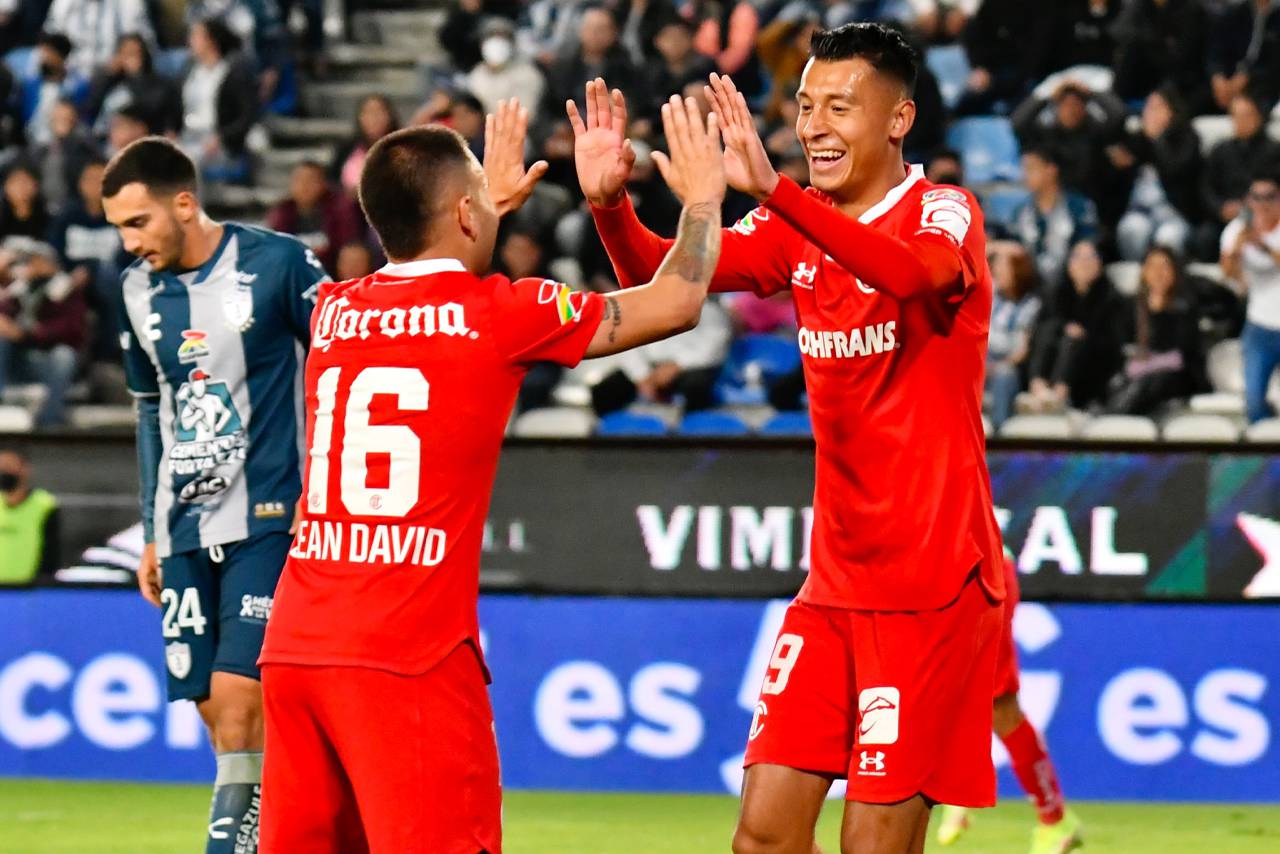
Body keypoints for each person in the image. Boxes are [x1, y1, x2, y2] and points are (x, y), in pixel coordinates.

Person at [580, 21, 1005, 853]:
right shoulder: (797, 229)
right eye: (805, 104)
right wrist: (610, 206)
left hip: (932, 589)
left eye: (839, 107)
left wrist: (777, 193)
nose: (813, 124)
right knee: (763, 839)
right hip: (833, 587)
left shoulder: (943, 210)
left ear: (898, 119)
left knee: (872, 847)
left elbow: (912, 274)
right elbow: (668, 277)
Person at [256, 97, 724, 852]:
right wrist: (702, 197)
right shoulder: (502, 313)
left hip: (298, 647)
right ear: (468, 218)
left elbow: (415, 262)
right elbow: (677, 302)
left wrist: (478, 206)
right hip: (407, 657)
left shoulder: (338, 312)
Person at [103, 136, 328, 854]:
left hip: (269, 512)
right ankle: (283, 834)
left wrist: (324, 486)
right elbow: (150, 410)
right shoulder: (137, 292)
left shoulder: (277, 264)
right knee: (214, 710)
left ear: (184, 203)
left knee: (239, 700)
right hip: (184, 527)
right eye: (118, 228)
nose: (129, 242)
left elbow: (340, 364)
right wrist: (151, 532)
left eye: (137, 223)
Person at [936, 548, 1082, 854]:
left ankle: (1055, 819)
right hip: (932, 571)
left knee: (1000, 706)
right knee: (936, 687)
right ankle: (957, 789)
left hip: (979, 570)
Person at [1024, 239, 1125, 412]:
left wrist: (1083, 336)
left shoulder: (1112, 298)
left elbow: (1113, 344)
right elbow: (1037, 334)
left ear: (1100, 263)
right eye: (1078, 257)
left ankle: (1059, 394)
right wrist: (1063, 330)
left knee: (1073, 339)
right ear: (1069, 264)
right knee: (1049, 329)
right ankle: (1038, 388)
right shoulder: (1054, 293)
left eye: (1090, 257)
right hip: (1051, 362)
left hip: (1091, 369)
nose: (1084, 263)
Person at [1107, 245, 1205, 415]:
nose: (1158, 272)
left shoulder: (1184, 307)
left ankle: (1115, 416)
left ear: (1174, 272)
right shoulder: (1131, 306)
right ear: (1144, 272)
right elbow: (1122, 345)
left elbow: (1181, 354)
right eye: (1152, 266)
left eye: (1165, 266)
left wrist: (1147, 364)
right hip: (1136, 373)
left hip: (1175, 376)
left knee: (1150, 381)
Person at [0, 239, 84, 426]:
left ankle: (50, 418)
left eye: (32, 260)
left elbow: (71, 330)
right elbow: (5, 315)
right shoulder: (20, 288)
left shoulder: (65, 288)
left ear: (47, 262)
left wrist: (28, 333)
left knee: (64, 355)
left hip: (47, 358)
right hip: (19, 358)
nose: (26, 265)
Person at [1221, 172, 1280, 424]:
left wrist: (1263, 245)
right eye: (1257, 197)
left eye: (1270, 197)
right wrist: (1237, 251)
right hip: (1259, 327)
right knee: (1254, 401)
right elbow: (1229, 276)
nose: (1263, 203)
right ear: (1248, 201)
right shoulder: (1236, 230)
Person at [1198, 93, 1280, 262]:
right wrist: (1221, 208)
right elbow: (1206, 187)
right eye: (1237, 116)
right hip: (1226, 215)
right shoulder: (1220, 151)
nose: (1242, 121)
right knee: (1204, 237)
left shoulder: (1274, 151)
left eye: (1247, 115)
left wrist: (1255, 207)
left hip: (1266, 217)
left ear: (1259, 116)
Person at [1010, 147, 1099, 286]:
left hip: (1070, 283)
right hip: (1030, 285)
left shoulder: (1078, 206)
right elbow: (1014, 244)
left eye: (1031, 168)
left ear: (1051, 170)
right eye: (1024, 169)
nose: (1025, 175)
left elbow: (1088, 240)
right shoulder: (1021, 212)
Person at [265, 161, 362, 274]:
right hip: (296, 274)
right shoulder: (282, 212)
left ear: (323, 183)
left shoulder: (340, 208)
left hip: (333, 272)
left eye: (311, 180)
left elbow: (349, 244)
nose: (304, 186)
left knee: (353, 255)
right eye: (299, 180)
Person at [985, 241, 1040, 427]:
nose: (996, 269)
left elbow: (1021, 351)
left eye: (1002, 265)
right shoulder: (990, 291)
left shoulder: (1030, 305)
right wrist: (998, 248)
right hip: (982, 358)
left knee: (1004, 375)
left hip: (1006, 363)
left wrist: (996, 365)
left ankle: (997, 439)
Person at [0, 449, 61, 585]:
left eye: (8, 467)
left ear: (24, 469)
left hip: (28, 591)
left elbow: (52, 552)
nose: (3, 471)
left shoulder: (44, 504)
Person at [331, 94, 399, 196]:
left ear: (390, 116)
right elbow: (332, 182)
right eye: (368, 112)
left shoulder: (402, 147)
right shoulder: (346, 148)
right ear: (359, 117)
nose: (374, 118)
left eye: (379, 112)